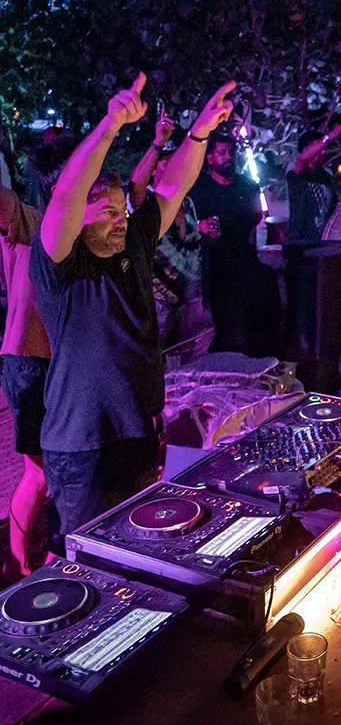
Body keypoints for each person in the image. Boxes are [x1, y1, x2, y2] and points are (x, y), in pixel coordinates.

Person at [30, 74, 236, 541]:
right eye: (105, 211)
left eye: (120, 210)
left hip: (137, 432)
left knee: (137, 546)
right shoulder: (61, 260)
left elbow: (174, 188)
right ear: (78, 216)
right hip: (82, 443)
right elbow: (65, 195)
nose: (118, 219)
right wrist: (109, 127)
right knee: (83, 565)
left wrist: (199, 133)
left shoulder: (136, 241)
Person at [0, 170, 56, 576]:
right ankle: (17, 566)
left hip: (63, 363)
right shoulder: (31, 220)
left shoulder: (86, 232)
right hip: (29, 361)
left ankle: (52, 556)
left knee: (65, 470)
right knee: (38, 473)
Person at [190, 128, 277, 354]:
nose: (228, 157)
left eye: (231, 152)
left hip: (242, 258)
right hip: (211, 263)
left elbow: (256, 217)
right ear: (210, 157)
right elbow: (185, 222)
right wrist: (199, 226)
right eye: (221, 152)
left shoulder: (247, 186)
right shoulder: (199, 188)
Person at [286, 121, 341, 245]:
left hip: (323, 239)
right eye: (317, 148)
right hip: (301, 240)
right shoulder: (296, 173)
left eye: (323, 149)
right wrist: (328, 137)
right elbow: (302, 159)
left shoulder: (326, 176)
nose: (322, 152)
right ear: (306, 149)